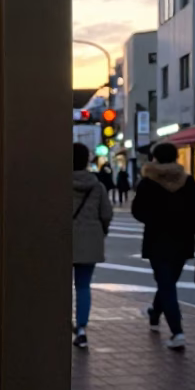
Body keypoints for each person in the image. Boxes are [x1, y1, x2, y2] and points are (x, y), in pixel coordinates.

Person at [131, 142, 195, 350]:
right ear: (175, 157)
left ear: (155, 158)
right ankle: (155, 314)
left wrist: (155, 218)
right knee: (168, 283)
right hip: (182, 239)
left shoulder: (148, 182)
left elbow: (137, 211)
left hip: (157, 239)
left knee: (166, 284)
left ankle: (177, 331)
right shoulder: (187, 181)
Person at [72, 143, 112, 348]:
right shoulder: (97, 186)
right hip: (89, 241)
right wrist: (101, 230)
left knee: (59, 287)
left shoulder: (58, 184)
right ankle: (81, 328)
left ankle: (61, 324)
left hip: (63, 241)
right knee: (83, 286)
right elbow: (106, 214)